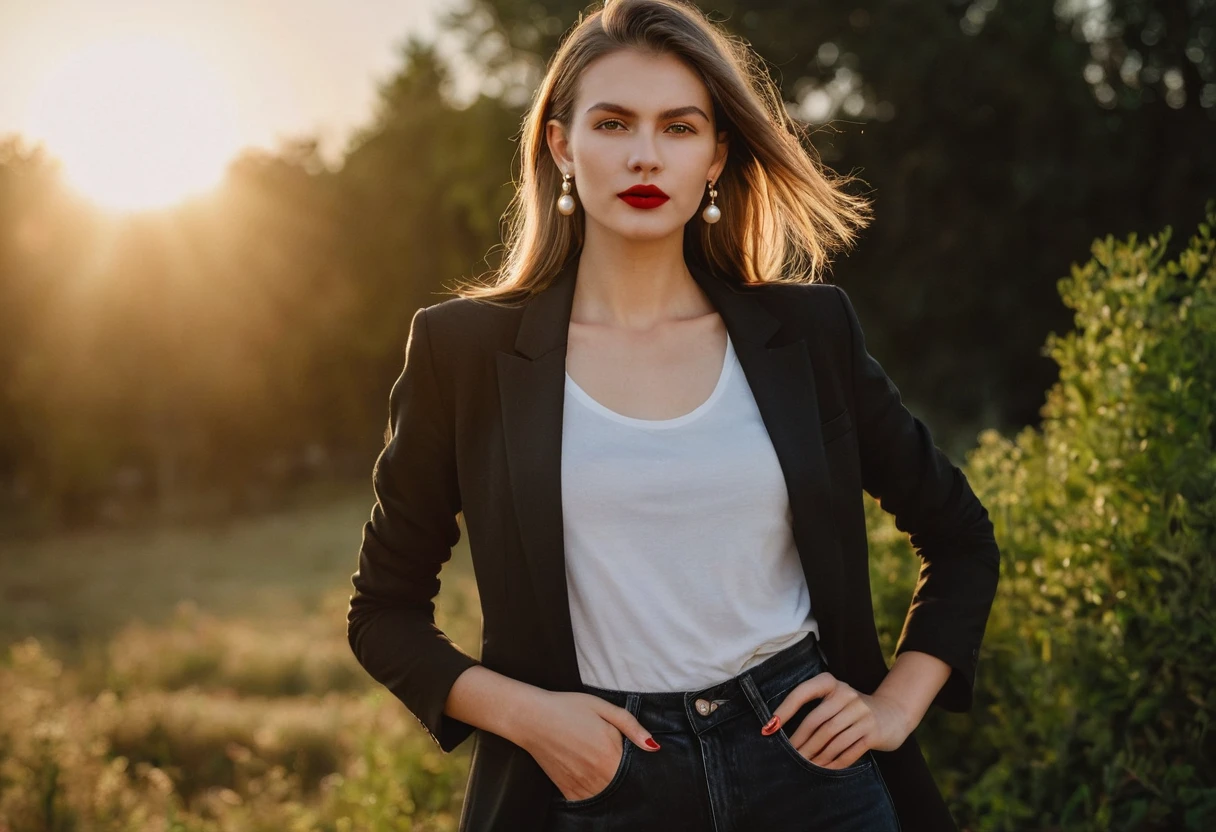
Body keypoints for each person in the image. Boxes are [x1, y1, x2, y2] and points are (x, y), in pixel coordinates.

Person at [346, 1, 1001, 830]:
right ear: (561, 145)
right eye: (613, 123)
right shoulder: (464, 353)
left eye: (680, 128)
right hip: (595, 779)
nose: (645, 155)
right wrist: (535, 720)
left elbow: (959, 536)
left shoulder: (808, 334)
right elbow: (384, 612)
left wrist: (894, 707)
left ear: (718, 155)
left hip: (810, 770)